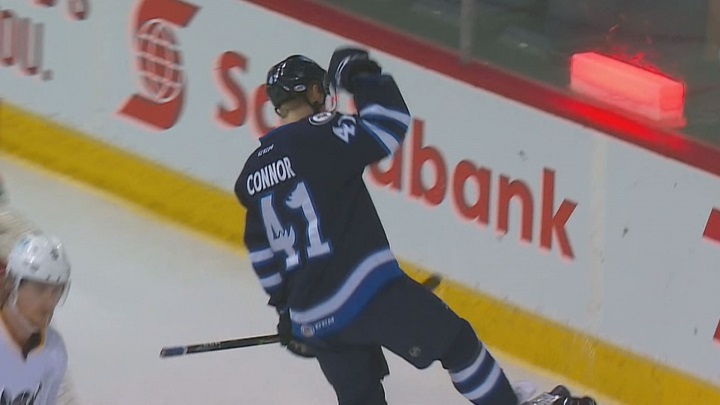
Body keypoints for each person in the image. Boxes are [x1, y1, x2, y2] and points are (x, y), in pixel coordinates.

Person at [235, 47, 595, 405]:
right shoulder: (322, 133)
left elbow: (262, 253)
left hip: (312, 317)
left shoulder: (253, 172)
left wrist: (287, 312)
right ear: (315, 92)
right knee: (458, 344)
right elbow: (388, 125)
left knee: (360, 397)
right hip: (368, 294)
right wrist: (362, 77)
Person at [0, 233, 72, 405]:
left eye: (57, 291)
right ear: (12, 284)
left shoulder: (54, 351)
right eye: (40, 289)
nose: (50, 302)